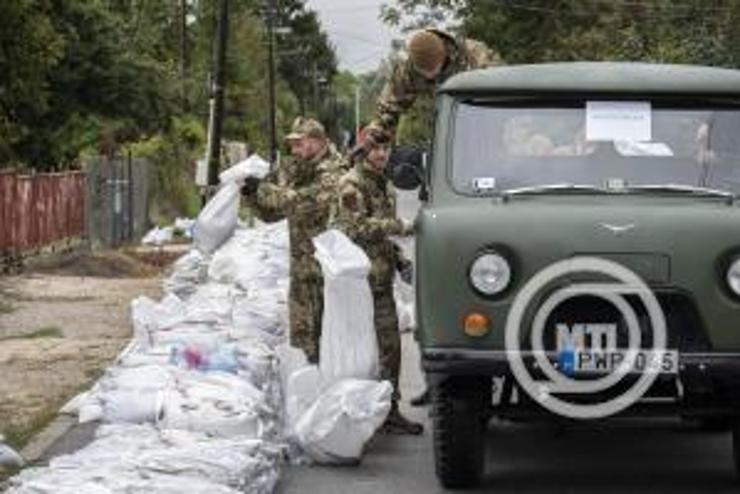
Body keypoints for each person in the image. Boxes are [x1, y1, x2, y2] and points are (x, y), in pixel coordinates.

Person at [331, 129, 423, 435]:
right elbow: (353, 227)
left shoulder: (386, 186)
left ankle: (388, 410)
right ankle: (356, 411)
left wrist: (399, 260)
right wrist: (401, 226)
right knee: (358, 353)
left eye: (385, 148)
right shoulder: (352, 184)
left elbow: (381, 237)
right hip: (357, 285)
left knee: (390, 348)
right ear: (363, 151)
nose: (381, 155)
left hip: (381, 281)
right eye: (375, 149)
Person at [242, 117, 347, 363]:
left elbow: (300, 203)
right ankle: (310, 395)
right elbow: (272, 214)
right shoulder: (301, 170)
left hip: (328, 276)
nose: (294, 150)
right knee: (303, 349)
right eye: (292, 145)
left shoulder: (335, 172)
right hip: (302, 273)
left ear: (316, 141)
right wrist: (251, 196)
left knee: (330, 349)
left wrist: (265, 189)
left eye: (299, 143)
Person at [355, 28, 501, 156]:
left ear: (443, 56)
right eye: (423, 72)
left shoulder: (473, 55)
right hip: (447, 132)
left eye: (433, 70)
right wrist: (372, 137)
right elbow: (389, 108)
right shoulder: (408, 71)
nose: (429, 76)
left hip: (486, 121)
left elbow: (503, 86)